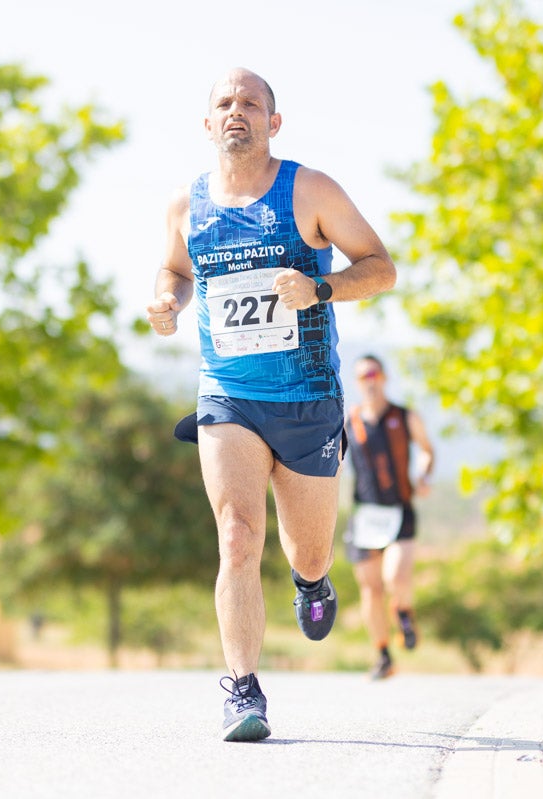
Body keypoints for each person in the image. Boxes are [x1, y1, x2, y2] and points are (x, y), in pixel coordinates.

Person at [146, 68, 396, 742]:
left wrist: (320, 289)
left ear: (272, 122)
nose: (237, 112)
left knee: (309, 551)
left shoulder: (308, 190)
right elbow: (176, 268)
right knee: (236, 534)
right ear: (207, 124)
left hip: (309, 396)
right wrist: (168, 298)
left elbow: (381, 266)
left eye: (251, 103)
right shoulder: (185, 205)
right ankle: (242, 689)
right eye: (224, 103)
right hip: (228, 394)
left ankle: (311, 582)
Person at [343, 354, 435, 680]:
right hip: (365, 515)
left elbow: (426, 449)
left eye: (373, 373)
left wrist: (423, 474)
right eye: (362, 376)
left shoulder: (404, 416)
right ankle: (383, 654)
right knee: (370, 589)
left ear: (383, 377)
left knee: (394, 578)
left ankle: (404, 611)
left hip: (400, 510)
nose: (368, 380)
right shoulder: (350, 422)